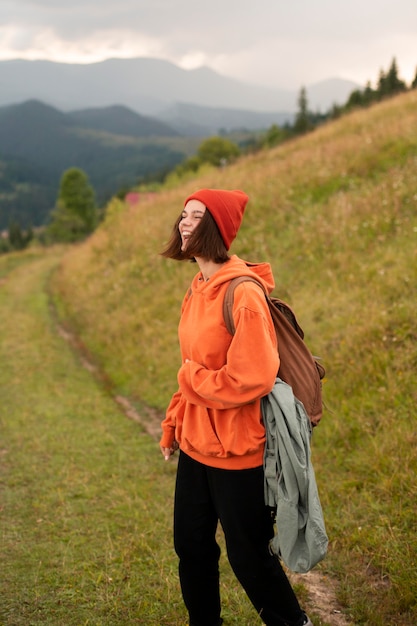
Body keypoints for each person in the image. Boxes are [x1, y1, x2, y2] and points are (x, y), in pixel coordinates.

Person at [160, 188, 313, 626]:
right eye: (183, 214)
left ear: (216, 228)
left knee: (248, 556)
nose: (183, 222)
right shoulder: (199, 285)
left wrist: (191, 381)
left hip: (238, 450)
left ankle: (293, 622)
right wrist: (173, 421)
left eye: (195, 216)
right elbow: (192, 365)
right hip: (195, 444)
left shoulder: (243, 294)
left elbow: (253, 376)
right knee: (191, 545)